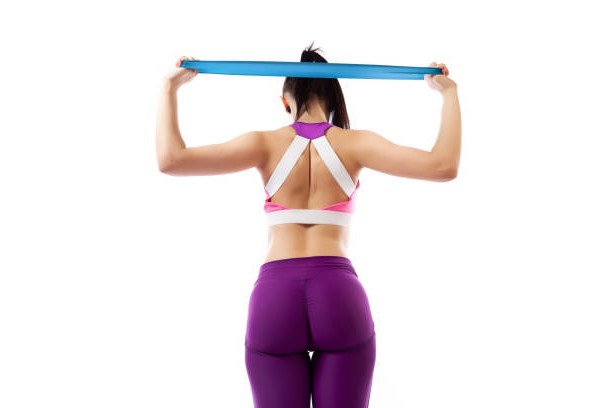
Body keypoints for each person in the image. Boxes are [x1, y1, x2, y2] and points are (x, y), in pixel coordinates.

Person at [156, 45, 461, 408]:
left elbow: (171, 160)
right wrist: (448, 94)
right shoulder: (357, 144)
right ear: (333, 98)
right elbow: (443, 166)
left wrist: (170, 88)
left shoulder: (262, 143)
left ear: (285, 102)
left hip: (275, 298)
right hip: (338, 294)